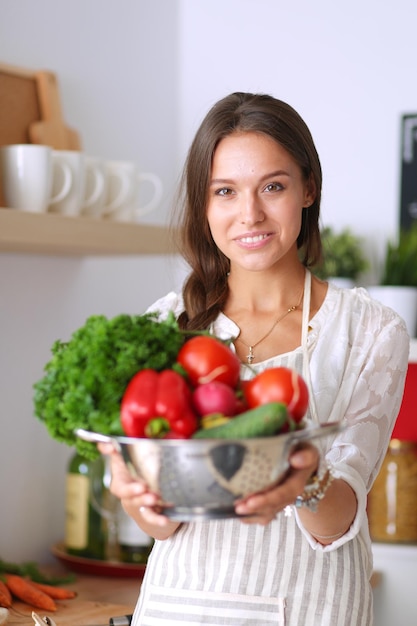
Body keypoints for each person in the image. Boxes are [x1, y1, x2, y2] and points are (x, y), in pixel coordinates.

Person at [100, 92, 409, 625]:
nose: (250, 214)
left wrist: (305, 480)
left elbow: (338, 522)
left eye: (273, 186)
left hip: (314, 609)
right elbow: (163, 526)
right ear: (204, 204)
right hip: (180, 607)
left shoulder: (371, 331)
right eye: (225, 191)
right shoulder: (162, 327)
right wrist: (135, 495)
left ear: (307, 188)